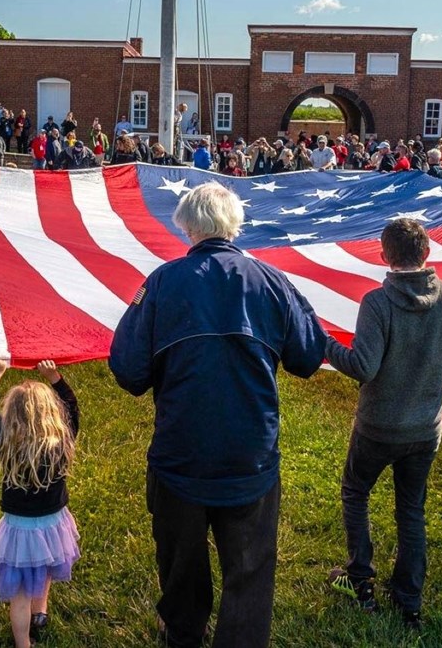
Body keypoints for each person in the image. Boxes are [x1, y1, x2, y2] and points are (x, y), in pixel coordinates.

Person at [108, 183, 325, 648]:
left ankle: (184, 634)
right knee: (248, 570)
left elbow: (128, 371)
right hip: (249, 453)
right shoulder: (271, 281)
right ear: (235, 225)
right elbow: (307, 356)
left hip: (182, 453)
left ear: (186, 227)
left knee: (182, 564)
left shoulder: (164, 282)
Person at [322, 219, 442, 628]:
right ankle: (409, 598)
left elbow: (362, 366)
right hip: (425, 427)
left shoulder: (378, 302)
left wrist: (324, 343)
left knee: (356, 493)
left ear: (383, 256)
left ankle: (359, 579)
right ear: (427, 253)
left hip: (378, 425)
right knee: (411, 510)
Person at [0, 359, 80, 648]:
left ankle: (24, 643)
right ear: (53, 415)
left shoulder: (5, 443)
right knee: (46, 565)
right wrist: (54, 377)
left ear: (10, 417)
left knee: (20, 593)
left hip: (19, 529)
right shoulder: (62, 439)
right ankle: (41, 611)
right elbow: (72, 410)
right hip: (53, 524)